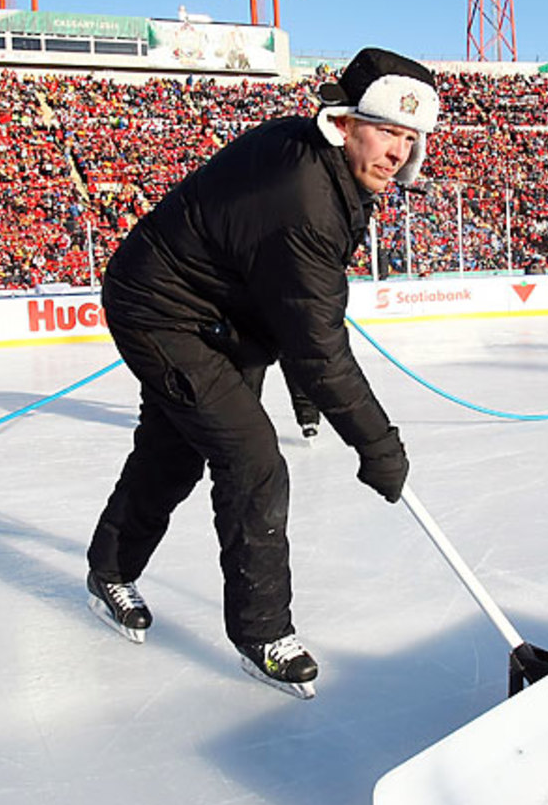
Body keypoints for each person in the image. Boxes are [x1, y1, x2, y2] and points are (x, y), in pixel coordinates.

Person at [85, 48, 440, 697]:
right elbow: (318, 346)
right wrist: (378, 446)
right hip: (163, 311)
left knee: (172, 451)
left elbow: (302, 319)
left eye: (410, 139)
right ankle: (261, 631)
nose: (398, 152)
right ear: (344, 124)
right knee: (252, 458)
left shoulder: (326, 169)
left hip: (226, 316)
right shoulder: (306, 195)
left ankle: (108, 569)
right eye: (388, 131)